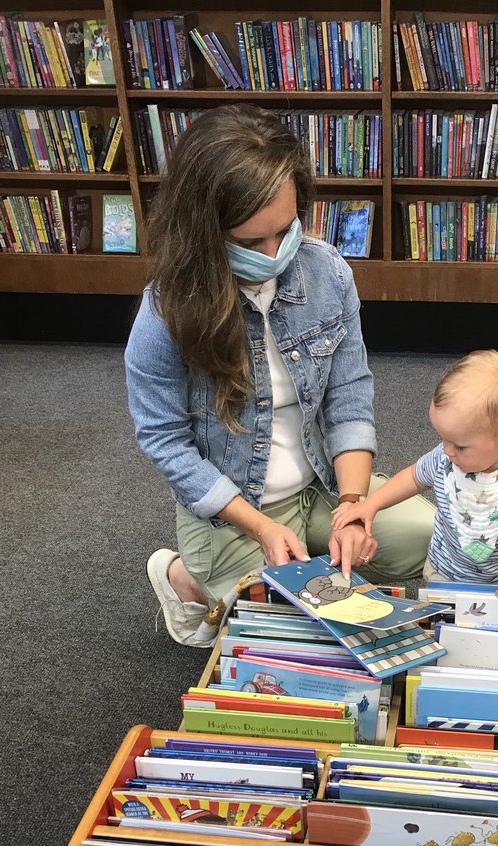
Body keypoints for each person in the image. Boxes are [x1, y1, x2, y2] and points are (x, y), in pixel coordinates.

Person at [124, 106, 434, 645]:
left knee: (429, 539)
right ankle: (183, 579)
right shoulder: (166, 311)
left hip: (320, 487)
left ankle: (298, 559)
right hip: (234, 511)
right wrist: (264, 528)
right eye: (249, 243)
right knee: (289, 643)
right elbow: (165, 442)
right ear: (203, 232)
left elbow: (349, 396)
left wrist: (355, 506)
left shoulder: (328, 271)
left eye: (286, 231)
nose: (273, 255)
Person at [332, 350, 498, 612]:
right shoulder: (447, 457)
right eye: (443, 439)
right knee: (442, 634)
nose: (447, 451)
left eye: (460, 446)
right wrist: (370, 504)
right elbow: (413, 477)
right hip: (443, 573)